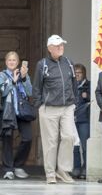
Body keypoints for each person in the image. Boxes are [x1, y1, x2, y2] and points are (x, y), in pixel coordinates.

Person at [32, 35, 77, 184]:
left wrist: (74, 101)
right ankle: (50, 173)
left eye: (62, 45)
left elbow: (74, 83)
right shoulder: (42, 64)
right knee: (50, 142)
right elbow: (37, 87)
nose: (60, 48)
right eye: (57, 46)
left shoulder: (69, 62)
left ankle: (63, 170)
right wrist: (39, 105)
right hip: (49, 108)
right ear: (49, 48)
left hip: (67, 107)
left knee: (69, 137)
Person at [0, 51, 33, 180]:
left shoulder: (24, 74)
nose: (12, 62)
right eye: (9, 60)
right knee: (7, 140)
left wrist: (24, 78)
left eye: (14, 60)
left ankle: (18, 165)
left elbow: (30, 91)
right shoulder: (2, 75)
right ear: (6, 62)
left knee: (27, 138)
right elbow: (2, 92)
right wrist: (13, 81)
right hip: (8, 111)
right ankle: (8, 169)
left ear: (18, 62)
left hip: (22, 111)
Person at [72, 64, 90, 179]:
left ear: (84, 74)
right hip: (72, 119)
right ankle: (76, 168)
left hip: (84, 119)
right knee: (74, 146)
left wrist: (86, 96)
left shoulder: (89, 85)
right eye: (76, 72)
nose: (77, 75)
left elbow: (94, 99)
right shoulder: (71, 85)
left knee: (84, 145)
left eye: (80, 73)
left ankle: (85, 168)